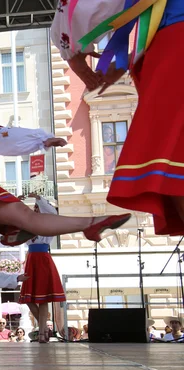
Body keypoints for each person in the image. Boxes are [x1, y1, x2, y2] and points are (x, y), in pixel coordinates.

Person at [0, 71, 131, 246]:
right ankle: (89, 223)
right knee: (26, 217)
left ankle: (13, 229)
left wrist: (41, 140)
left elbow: (5, 135)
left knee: (23, 217)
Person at [50, 0, 184, 236]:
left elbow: (83, 6)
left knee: (173, 165)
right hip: (171, 49)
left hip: (173, 52)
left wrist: (72, 49)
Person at [17, 193, 67, 343]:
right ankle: (44, 329)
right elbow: (13, 220)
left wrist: (39, 197)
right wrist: (16, 203)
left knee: (43, 298)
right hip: (32, 259)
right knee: (28, 298)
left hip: (43, 257)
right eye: (35, 207)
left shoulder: (48, 223)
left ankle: (42, 333)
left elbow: (53, 213)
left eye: (38, 207)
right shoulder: (27, 223)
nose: (36, 209)